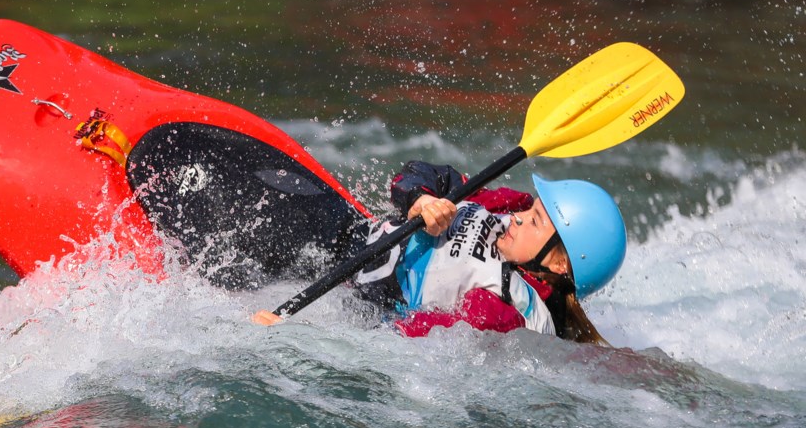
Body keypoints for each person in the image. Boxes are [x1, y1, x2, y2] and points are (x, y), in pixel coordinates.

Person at [253, 161, 627, 345]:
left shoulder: (502, 309)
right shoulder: (508, 207)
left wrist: (299, 335)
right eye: (532, 210)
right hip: (345, 231)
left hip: (342, 291)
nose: (518, 218)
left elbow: (397, 339)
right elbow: (416, 173)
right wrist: (422, 199)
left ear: (558, 263)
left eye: (534, 221)